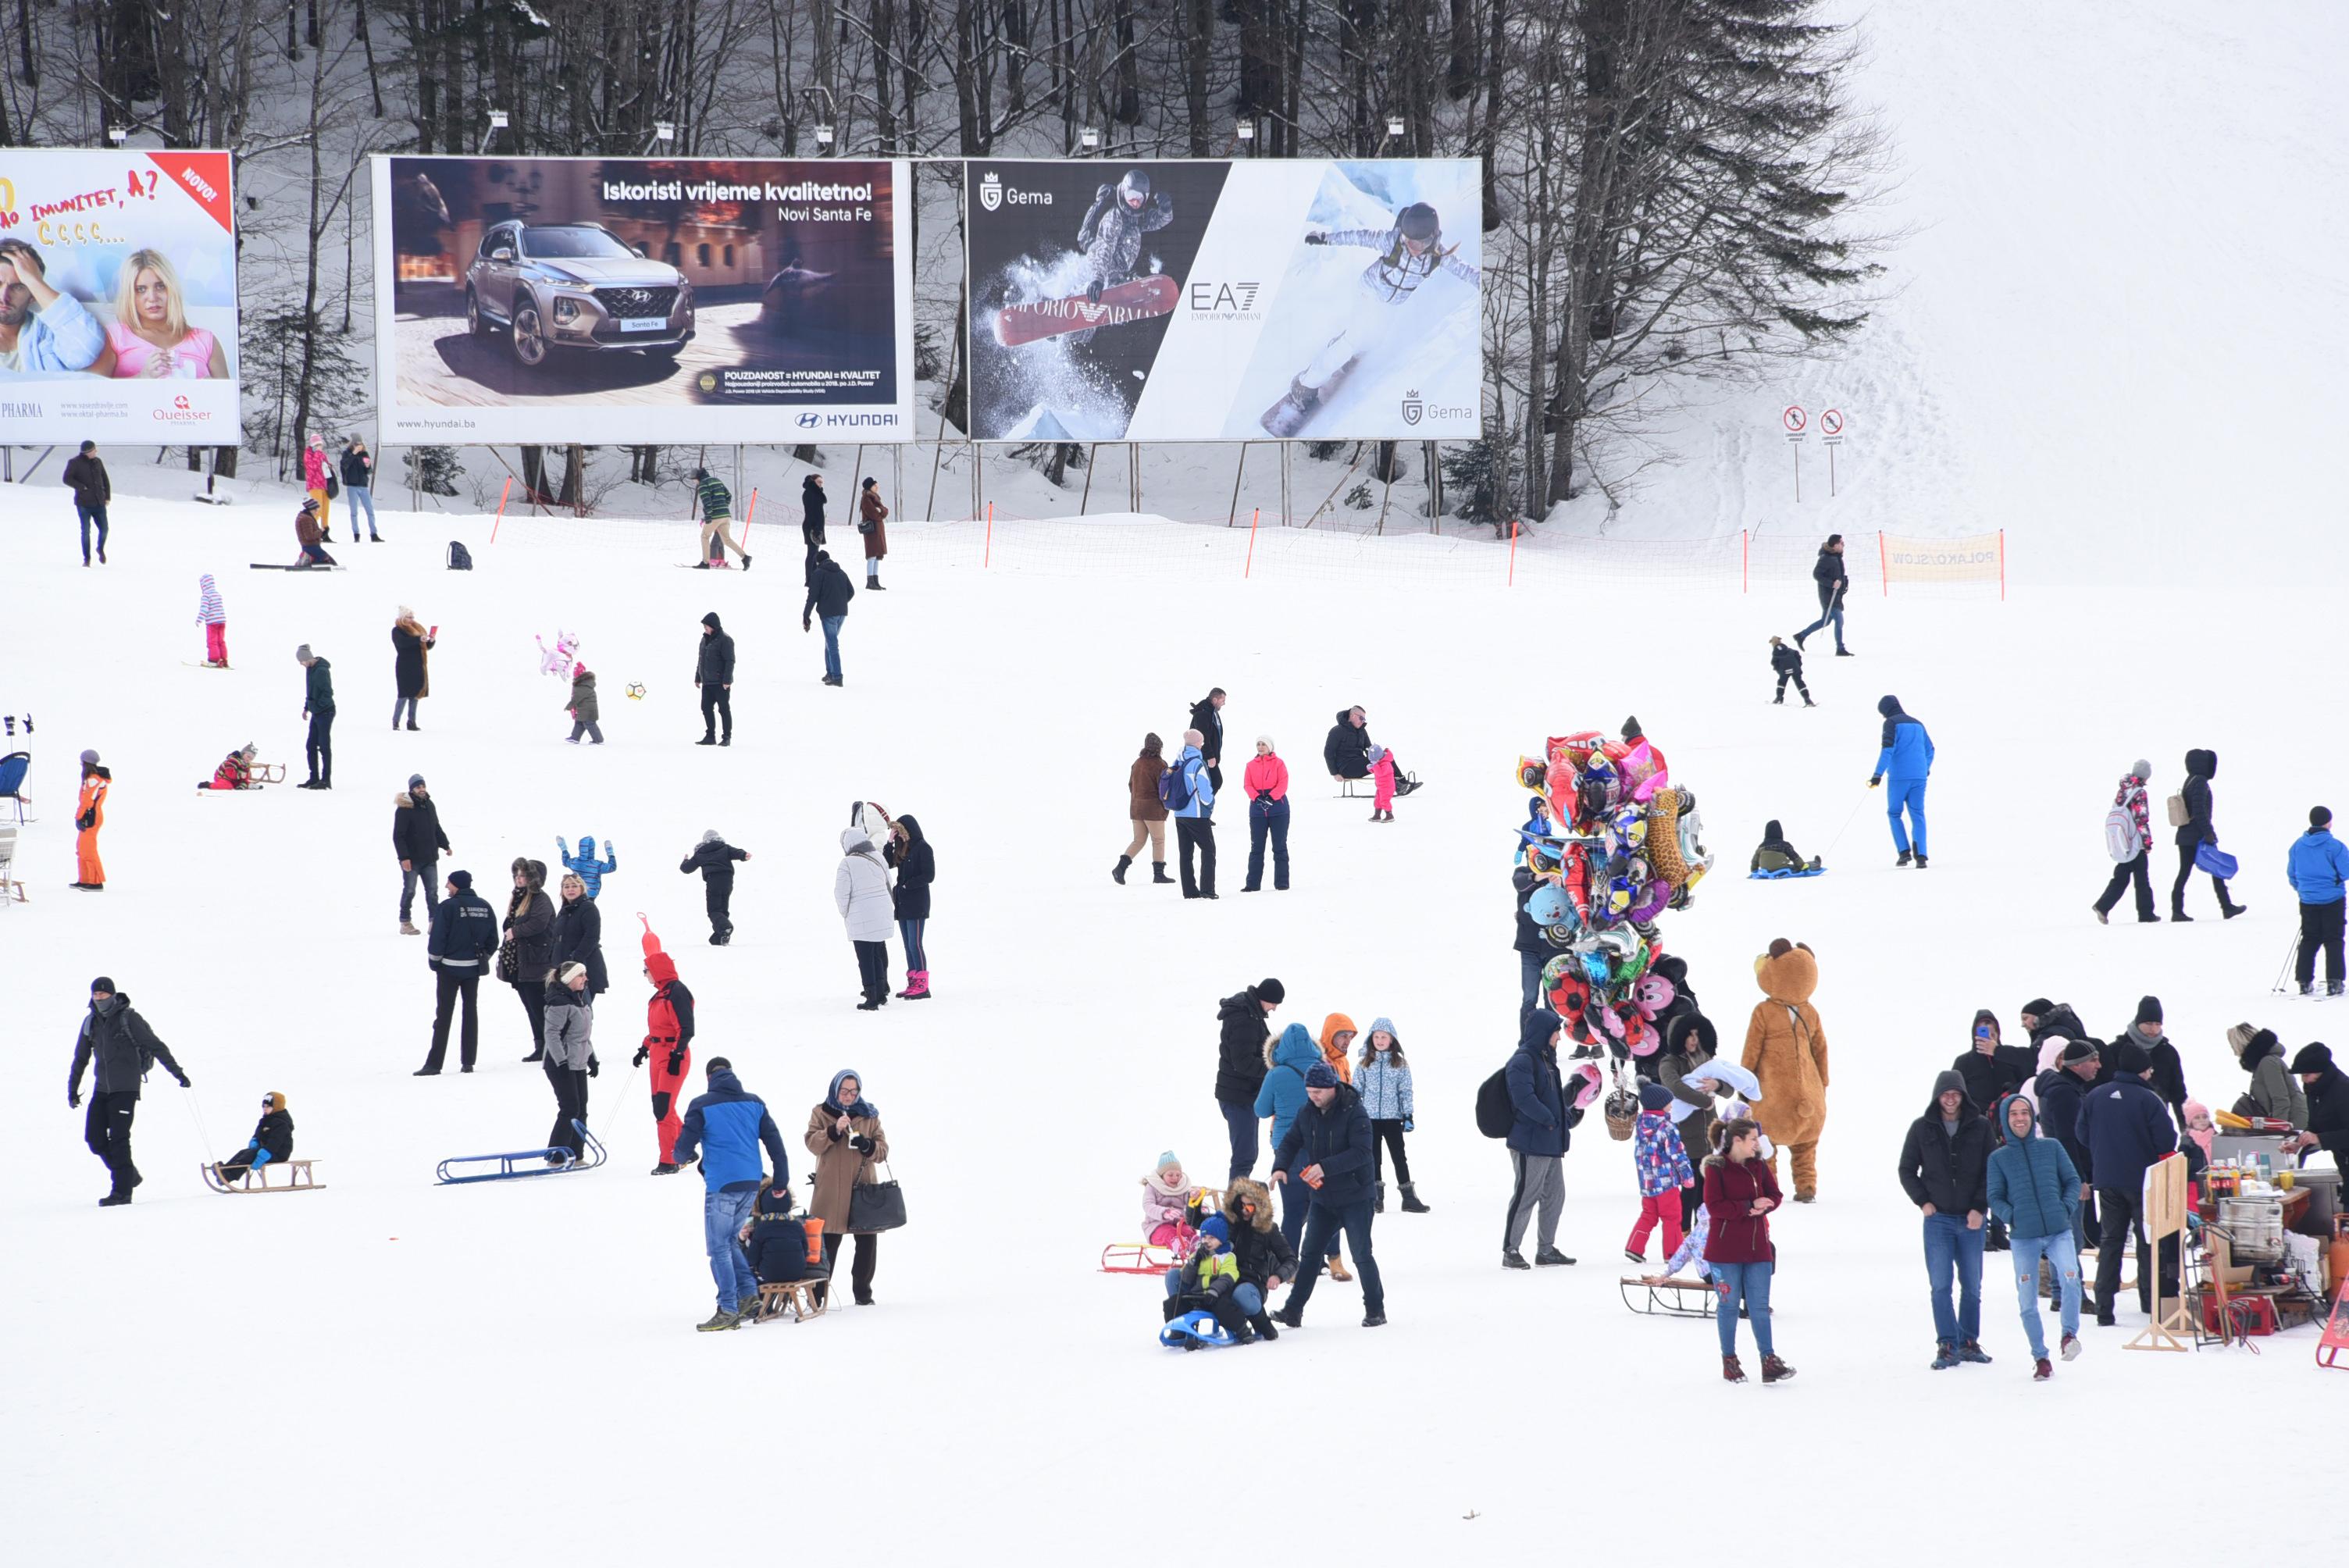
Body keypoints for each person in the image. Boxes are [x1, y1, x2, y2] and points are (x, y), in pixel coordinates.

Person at [672, 1056, 793, 1331]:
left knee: (718, 1247)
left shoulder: (702, 1105)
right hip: (751, 1184)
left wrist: (678, 1155)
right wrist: (780, 1181)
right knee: (728, 1242)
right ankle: (749, 1295)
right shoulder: (755, 1103)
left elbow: (682, 1148)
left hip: (722, 1185)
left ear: (708, 1079)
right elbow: (776, 1144)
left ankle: (727, 1308)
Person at [1270, 1063, 1388, 1328]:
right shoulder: (1307, 1112)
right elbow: (1290, 1141)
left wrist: (1325, 1167)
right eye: (1310, 1091)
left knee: (1361, 1254)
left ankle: (1375, 1309)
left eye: (1318, 1092)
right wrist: (1279, 1167)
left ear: (1332, 1088)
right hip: (1324, 1198)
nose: (1313, 1096)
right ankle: (1293, 1311)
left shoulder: (1355, 1112)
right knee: (1310, 1254)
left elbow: (1362, 1153)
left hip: (1356, 1195)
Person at [2076, 1040, 2180, 1326]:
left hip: (2106, 1180)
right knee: (2147, 1241)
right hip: (2142, 1182)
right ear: (2143, 1071)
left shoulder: (2095, 1096)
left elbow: (2081, 1134)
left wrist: (2103, 1151)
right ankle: (2149, 1301)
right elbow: (2167, 1140)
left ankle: (2104, 1308)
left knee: (2111, 1241)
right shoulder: (2149, 1099)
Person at [1898, 1070, 1994, 1370]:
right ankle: (1947, 1344)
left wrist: (1980, 1207)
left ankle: (1969, 1342)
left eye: (1955, 1094)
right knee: (1941, 1285)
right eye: (1945, 1094)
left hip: (1971, 1221)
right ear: (1937, 1097)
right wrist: (1923, 1202)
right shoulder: (1921, 1128)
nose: (1950, 1099)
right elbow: (1906, 1169)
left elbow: (1991, 1171)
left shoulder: (1980, 1127)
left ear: (1963, 1096)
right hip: (1938, 1220)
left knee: (1972, 1286)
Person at [67, 976, 191, 1206]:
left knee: (119, 1139)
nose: (99, 997)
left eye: (103, 994)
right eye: (95, 994)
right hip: (102, 1089)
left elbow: (156, 1046)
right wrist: (72, 1089)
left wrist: (178, 1074)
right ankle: (129, 1175)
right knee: (94, 1139)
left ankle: (122, 1192)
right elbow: (80, 1058)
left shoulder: (129, 1018)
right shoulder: (90, 1023)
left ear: (113, 995)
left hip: (125, 1088)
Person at [1987, 1092, 2084, 1378]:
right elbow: (1994, 1196)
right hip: (2024, 1238)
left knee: (2070, 1277)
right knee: (2027, 1299)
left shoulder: (2051, 1147)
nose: (2020, 1118)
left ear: (2033, 1116)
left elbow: (2072, 1180)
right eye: (2014, 1114)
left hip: (2058, 1232)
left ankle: (2069, 1336)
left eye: (2025, 1113)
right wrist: (2013, 1216)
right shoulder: (1999, 1158)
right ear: (2006, 1120)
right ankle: (2041, 1357)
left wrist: (2064, 1208)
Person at [1741, 938, 1830, 1201]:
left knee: (1766, 1141)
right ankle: (1806, 1186)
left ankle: (1770, 1187)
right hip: (1811, 1098)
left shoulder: (1764, 1011)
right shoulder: (1810, 1012)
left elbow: (1752, 1051)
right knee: (1806, 1146)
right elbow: (1821, 1051)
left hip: (1772, 1095)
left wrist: (1745, 1085)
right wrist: (1822, 1084)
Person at [1704, 1117, 1791, 1382]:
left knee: (1759, 1307)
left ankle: (1769, 1360)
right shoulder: (1716, 1168)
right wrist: (1747, 1207)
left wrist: (1766, 1204)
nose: (1757, 1143)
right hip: (1725, 1251)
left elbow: (1776, 1194)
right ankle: (1729, 1361)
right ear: (1737, 1141)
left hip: (1757, 1248)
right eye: (1753, 1138)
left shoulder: (1759, 1166)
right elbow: (1715, 1206)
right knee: (1729, 1305)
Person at [1254, 1022, 1344, 1270]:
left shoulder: (1276, 1074)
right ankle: (1334, 1260)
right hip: (1322, 1147)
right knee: (1325, 1203)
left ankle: (1290, 1266)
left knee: (1294, 1209)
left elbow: (1260, 1110)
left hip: (1288, 1150)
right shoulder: (1325, 1069)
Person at [1501, 1008, 1581, 1270]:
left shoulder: (1547, 1060)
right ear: (1543, 1032)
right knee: (1526, 1195)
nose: (1559, 1036)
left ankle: (1546, 1250)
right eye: (1556, 1031)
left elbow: (1554, 1099)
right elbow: (1524, 1099)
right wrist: (1549, 1119)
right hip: (1530, 1142)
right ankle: (1510, 1251)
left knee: (1555, 1195)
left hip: (1549, 1143)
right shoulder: (1523, 1061)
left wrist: (1567, 1118)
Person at [804, 1068, 889, 1307]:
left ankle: (863, 1294)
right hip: (831, 1190)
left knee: (866, 1243)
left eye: (854, 1091)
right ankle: (819, 1295)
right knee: (827, 1243)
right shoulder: (821, 1113)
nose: (849, 1096)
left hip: (863, 1188)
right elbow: (812, 1143)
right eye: (844, 1091)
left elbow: (882, 1152)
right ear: (835, 1090)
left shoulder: (870, 1115)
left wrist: (867, 1144)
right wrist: (834, 1130)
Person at [1171, 1179, 1295, 1342]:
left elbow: (1291, 1260)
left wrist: (1278, 1276)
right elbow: (1197, 1222)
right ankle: (1183, 1323)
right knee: (1174, 1276)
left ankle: (1261, 1322)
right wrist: (1195, 1202)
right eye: (1241, 1204)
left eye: (1250, 1206)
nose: (1245, 1210)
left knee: (1241, 1293)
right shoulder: (1226, 1221)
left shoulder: (1269, 1229)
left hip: (1248, 1282)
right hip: (1217, 1277)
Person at [415, 869, 497, 1074]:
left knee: (443, 1015)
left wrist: (435, 963)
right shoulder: (485, 906)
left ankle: (434, 1064)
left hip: (448, 970)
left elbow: (437, 939)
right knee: (470, 1013)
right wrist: (481, 958)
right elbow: (493, 940)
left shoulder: (448, 907)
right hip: (473, 970)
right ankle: (468, 1062)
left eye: (449, 883)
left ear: (457, 885)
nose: (446, 887)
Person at [100, 247, 227, 378]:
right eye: (141, 289)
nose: (152, 297)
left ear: (171, 289)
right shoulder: (113, 337)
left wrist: (209, 389)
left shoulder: (206, 340)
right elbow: (93, 391)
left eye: (160, 286)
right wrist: (142, 377)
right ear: (130, 295)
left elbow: (227, 396)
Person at [634, 918, 697, 1174]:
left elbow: (686, 1029)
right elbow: (659, 1029)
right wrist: (644, 1046)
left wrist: (677, 1053)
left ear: (657, 970)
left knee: (663, 1109)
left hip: (673, 1056)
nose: (645, 974)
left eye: (646, 970)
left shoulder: (676, 992)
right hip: (659, 1053)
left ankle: (670, 1159)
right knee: (661, 1107)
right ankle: (687, 1148)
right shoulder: (660, 993)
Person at [2034, 1039, 2101, 1254]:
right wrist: (2078, 1178)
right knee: (2070, 1241)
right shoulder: (2065, 1093)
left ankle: (2066, 1286)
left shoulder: (2066, 1089)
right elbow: (2066, 1139)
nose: (2099, 1066)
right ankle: (2066, 1287)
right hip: (2065, 1177)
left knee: (2070, 1239)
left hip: (2061, 1173)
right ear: (2076, 1065)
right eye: (2094, 1060)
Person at [1, 239, 107, 374]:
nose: (4, 296)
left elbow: (86, 349)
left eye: (18, 287)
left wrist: (32, 280)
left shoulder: (47, 335)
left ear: (33, 295)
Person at [1356, 1020, 1428, 1213]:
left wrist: (1407, 1115)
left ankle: (1409, 1198)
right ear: (1371, 1039)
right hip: (1370, 1118)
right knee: (1373, 1157)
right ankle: (1375, 1198)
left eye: (1384, 1037)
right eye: (1377, 1037)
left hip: (1393, 1119)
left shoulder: (1400, 1064)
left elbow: (1405, 1090)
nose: (1380, 1041)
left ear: (1391, 1040)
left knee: (1399, 1156)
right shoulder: (1364, 1063)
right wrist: (1356, 1114)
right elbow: (1357, 1090)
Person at [1214, 978, 1283, 1179]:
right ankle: (1235, 1205)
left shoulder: (1252, 1014)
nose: (1274, 1009)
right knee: (1245, 1155)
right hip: (1237, 1097)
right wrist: (1273, 1069)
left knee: (1248, 1154)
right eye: (1274, 1004)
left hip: (1243, 1095)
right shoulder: (1244, 1018)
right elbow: (1243, 1062)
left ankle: (1238, 1202)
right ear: (1265, 998)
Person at [1624, 1080, 1697, 1263]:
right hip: (1666, 1182)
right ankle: (1674, 1253)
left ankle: (1634, 1247)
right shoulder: (1667, 1127)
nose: (1671, 1106)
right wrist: (1687, 1177)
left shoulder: (1641, 1124)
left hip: (1647, 1183)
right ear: (1660, 1105)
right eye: (1669, 1102)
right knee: (1672, 1217)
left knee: (1649, 1215)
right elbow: (1677, 1154)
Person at [2166, 749, 2244, 920]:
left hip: (2185, 834)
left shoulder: (2190, 780)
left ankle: (2177, 911)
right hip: (2198, 835)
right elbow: (2200, 810)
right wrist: (2209, 833)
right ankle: (2226, 907)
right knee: (2215, 869)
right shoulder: (2200, 781)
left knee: (2185, 872)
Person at [500, 858, 558, 1061]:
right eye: (517, 875)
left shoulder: (540, 899)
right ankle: (540, 1046)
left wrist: (515, 932)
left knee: (539, 1007)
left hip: (537, 962)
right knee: (531, 1007)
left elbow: (538, 924)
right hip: (521, 963)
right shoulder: (518, 898)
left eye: (523, 875)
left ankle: (550, 1046)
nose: (519, 878)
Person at [2287, 806, 2349, 996]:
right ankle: (2334, 981)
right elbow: (2346, 871)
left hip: (2308, 900)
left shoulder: (2298, 845)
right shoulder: (2335, 846)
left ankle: (2304, 981)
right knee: (2334, 940)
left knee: (2310, 939)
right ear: (2328, 822)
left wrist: (2303, 889)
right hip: (2332, 899)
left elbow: (2292, 874)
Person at [1869, 695, 1934, 868]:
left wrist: (1877, 775)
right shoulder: (1918, 724)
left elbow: (1888, 750)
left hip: (1899, 777)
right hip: (1920, 776)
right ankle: (1921, 856)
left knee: (1894, 813)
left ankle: (1904, 853)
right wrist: (1925, 768)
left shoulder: (1891, 723)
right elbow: (1930, 749)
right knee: (1917, 814)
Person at [835, 823, 893, 1010]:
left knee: (865, 958)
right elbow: (888, 882)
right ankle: (882, 991)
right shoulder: (878, 856)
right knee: (878, 952)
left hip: (860, 917)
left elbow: (841, 893)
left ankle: (871, 997)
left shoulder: (847, 863)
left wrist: (845, 913)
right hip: (882, 913)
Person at [540, 962, 594, 1162]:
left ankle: (576, 1154)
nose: (585, 979)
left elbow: (581, 1035)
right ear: (569, 978)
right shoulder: (559, 1002)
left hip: (578, 1062)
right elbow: (552, 1035)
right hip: (560, 1064)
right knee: (570, 1107)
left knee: (581, 1108)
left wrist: (591, 1057)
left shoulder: (580, 999)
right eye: (581, 975)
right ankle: (556, 1156)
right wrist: (561, 1063)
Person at [2093, 760, 2158, 924]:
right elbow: (2141, 819)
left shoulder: (2122, 791)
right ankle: (2146, 914)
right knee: (2142, 878)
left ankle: (2103, 905)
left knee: (2121, 876)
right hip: (2136, 841)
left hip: (2123, 841)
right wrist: (2147, 843)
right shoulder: (2139, 793)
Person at [879, 810, 934, 1000]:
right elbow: (887, 863)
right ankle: (913, 982)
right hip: (903, 904)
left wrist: (907, 884)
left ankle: (922, 985)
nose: (900, 835)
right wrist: (890, 842)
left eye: (901, 832)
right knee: (907, 945)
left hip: (917, 903)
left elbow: (929, 875)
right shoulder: (903, 848)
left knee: (915, 944)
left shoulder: (923, 848)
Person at [2112, 996, 2188, 1120]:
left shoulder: (2168, 1052)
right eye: (2148, 1023)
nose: (2153, 1029)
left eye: (2158, 1024)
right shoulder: (2116, 1050)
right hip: (2120, 1119)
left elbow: (2178, 1094)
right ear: (2138, 1022)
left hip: (2156, 1120)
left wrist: (2188, 1130)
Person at [391, 774, 448, 935]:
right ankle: (405, 922)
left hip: (430, 858)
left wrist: (445, 845)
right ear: (412, 790)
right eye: (418, 787)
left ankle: (434, 921)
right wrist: (404, 858)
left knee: (432, 891)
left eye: (423, 786)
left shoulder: (429, 805)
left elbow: (436, 828)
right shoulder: (404, 809)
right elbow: (398, 836)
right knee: (410, 890)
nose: (422, 789)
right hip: (412, 860)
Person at [1114, 733, 1172, 886]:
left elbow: (1130, 785)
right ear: (1159, 747)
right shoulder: (1160, 764)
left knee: (1139, 840)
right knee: (1158, 840)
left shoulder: (1137, 763)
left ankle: (1120, 868)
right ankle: (1159, 875)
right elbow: (1164, 789)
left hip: (1136, 808)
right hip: (1153, 809)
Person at [2222, 1025, 2307, 1127]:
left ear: (2240, 1044)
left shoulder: (2267, 1062)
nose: (2235, 1053)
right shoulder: (2263, 1063)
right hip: (2291, 1120)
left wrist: (2277, 1130)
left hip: (2295, 1122)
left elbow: (2281, 1100)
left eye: (2233, 1046)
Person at [1953, 1010, 2026, 1126]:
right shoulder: (1963, 1062)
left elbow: (2026, 1086)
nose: (1988, 1039)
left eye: (1992, 1035)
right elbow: (1955, 1094)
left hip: (2010, 1123)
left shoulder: (2011, 1058)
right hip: (1977, 1124)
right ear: (1975, 1036)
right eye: (1983, 1034)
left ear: (1998, 1035)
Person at [2283, 1044, 2349, 1172]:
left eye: (2306, 1075)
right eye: (2301, 1075)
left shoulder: (2344, 1089)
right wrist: (2299, 1144)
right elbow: (2314, 1126)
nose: (2303, 1080)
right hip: (2344, 1163)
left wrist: (2320, 1138)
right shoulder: (2314, 1091)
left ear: (2321, 1072)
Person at [679, 829, 750, 944]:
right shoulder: (724, 848)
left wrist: (685, 860)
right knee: (722, 910)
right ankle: (719, 938)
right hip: (727, 881)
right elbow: (737, 852)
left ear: (704, 840)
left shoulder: (700, 853)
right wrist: (744, 855)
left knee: (714, 911)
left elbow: (686, 869)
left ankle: (725, 928)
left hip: (713, 881)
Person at [212, 1092, 296, 1188]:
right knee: (244, 1152)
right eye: (263, 1106)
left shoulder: (281, 1123)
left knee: (251, 1155)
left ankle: (230, 1176)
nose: (265, 1109)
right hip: (264, 1150)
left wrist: (264, 1155)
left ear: (276, 1107)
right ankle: (225, 1170)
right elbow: (258, 1134)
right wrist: (255, 1141)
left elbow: (275, 1142)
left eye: (268, 1107)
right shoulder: (265, 1120)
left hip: (277, 1153)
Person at [1171, 728, 1217, 899]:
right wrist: (1210, 805)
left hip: (1179, 814)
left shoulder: (1178, 761)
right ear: (1197, 743)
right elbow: (1205, 791)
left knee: (1186, 854)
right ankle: (1207, 890)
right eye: (1202, 742)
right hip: (1197, 815)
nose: (1203, 744)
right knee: (1209, 850)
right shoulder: (1198, 762)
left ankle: (1189, 891)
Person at [743, 1180, 817, 1287]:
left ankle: (761, 1302)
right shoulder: (797, 1225)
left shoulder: (762, 1228)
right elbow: (805, 1251)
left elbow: (752, 1258)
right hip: (796, 1273)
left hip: (770, 1274)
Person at [1240, 736, 1291, 892]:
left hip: (1278, 810)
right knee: (1256, 848)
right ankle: (1252, 884)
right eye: (1258, 744)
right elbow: (1247, 785)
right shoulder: (1250, 765)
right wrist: (1257, 798)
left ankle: (1282, 883)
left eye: (1263, 744)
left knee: (1279, 847)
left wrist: (1271, 797)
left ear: (1270, 747)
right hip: (1258, 811)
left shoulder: (1279, 763)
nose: (1260, 747)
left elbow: (1283, 783)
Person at [803, 551, 856, 687]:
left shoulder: (819, 573)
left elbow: (812, 596)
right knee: (830, 641)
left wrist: (806, 615)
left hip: (829, 613)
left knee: (832, 644)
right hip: (842, 613)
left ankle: (837, 676)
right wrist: (841, 603)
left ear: (818, 562)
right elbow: (851, 592)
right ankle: (830, 673)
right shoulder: (841, 573)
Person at [553, 871, 608, 1000]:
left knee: (581, 1010)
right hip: (563, 968)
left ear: (582, 888)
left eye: (574, 886)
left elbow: (592, 937)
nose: (570, 889)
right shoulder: (564, 910)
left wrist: (575, 959)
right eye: (566, 887)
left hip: (584, 967)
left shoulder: (588, 908)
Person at [1792, 533, 1849, 655]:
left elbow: (1836, 575)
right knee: (1839, 621)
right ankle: (1840, 649)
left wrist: (1843, 584)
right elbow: (1817, 575)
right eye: (1841, 543)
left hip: (1835, 595)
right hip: (1828, 596)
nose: (1843, 545)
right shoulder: (1826, 558)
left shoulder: (1837, 557)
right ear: (1835, 545)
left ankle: (1801, 635)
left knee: (1826, 621)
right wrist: (1832, 584)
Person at [62, 440, 111, 566]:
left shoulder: (97, 461)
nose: (96, 451)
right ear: (89, 451)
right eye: (94, 449)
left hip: (99, 502)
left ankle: (100, 548)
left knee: (104, 529)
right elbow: (67, 479)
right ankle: (87, 559)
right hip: (84, 503)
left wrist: (107, 497)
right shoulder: (75, 463)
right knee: (86, 531)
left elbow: (105, 479)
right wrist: (81, 487)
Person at [1140, 1151, 1200, 1251]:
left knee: (1188, 1231)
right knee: (1168, 1233)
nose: (1175, 1178)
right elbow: (1147, 1205)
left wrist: (1197, 1203)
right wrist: (1164, 1212)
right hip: (1157, 1226)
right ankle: (1182, 1247)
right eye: (1170, 1175)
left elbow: (1190, 1203)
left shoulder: (1183, 1187)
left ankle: (1197, 1248)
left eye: (1178, 1175)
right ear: (1161, 1175)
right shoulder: (1152, 1186)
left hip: (1179, 1223)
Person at [692, 466, 750, 568]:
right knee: (727, 540)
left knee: (704, 537)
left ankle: (706, 562)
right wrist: (723, 507)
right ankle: (745, 557)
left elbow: (707, 501)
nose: (694, 482)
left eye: (694, 480)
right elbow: (729, 496)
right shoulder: (717, 481)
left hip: (715, 516)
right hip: (726, 516)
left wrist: (708, 515)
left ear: (698, 478)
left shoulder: (703, 485)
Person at [70, 748, 110, 890]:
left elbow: (87, 802)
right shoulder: (93, 779)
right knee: (82, 848)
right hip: (90, 815)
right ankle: (85, 879)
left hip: (90, 817)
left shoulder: (93, 780)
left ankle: (95, 882)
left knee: (88, 849)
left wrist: (78, 817)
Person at [296, 644, 334, 789]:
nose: (301, 664)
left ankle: (326, 780)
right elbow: (310, 691)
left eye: (301, 661)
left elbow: (328, 694)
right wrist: (307, 708)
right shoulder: (310, 669)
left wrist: (316, 707)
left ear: (307, 658)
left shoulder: (322, 671)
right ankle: (314, 777)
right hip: (317, 712)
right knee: (311, 745)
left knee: (324, 746)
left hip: (326, 712)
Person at [693, 612, 736, 744]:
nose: (705, 628)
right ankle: (710, 736)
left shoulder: (725, 640)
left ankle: (726, 737)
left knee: (723, 709)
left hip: (720, 683)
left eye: (706, 626)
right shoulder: (704, 639)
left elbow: (730, 661)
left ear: (714, 626)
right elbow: (701, 660)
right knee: (705, 708)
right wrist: (698, 677)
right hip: (707, 682)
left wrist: (727, 680)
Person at [390, 608, 433, 730]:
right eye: (409, 617)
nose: (412, 620)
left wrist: (431, 641)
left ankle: (411, 722)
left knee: (415, 695)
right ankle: (396, 721)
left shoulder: (418, 629)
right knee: (403, 695)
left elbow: (425, 646)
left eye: (412, 617)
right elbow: (402, 643)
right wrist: (418, 639)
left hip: (418, 665)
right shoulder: (397, 630)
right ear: (403, 618)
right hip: (404, 666)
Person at [338, 437, 380, 542]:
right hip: (352, 486)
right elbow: (345, 465)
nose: (359, 447)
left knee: (370, 511)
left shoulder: (365, 454)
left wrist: (368, 466)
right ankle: (356, 534)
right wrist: (354, 454)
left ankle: (374, 534)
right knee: (354, 511)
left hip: (363, 485)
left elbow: (369, 470)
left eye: (361, 445)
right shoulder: (347, 454)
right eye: (357, 445)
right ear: (353, 445)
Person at [1188, 689, 1227, 795]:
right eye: (1222, 701)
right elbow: (1203, 737)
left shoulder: (1212, 712)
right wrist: (1210, 756)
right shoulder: (1203, 714)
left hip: (1209, 756)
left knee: (1211, 782)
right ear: (1215, 699)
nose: (1224, 703)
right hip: (1203, 757)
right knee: (1216, 781)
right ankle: (1201, 806)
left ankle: (1202, 806)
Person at [555, 835, 616, 899]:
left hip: (577, 892)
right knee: (588, 907)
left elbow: (565, 862)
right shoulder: (597, 865)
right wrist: (610, 853)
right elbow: (612, 867)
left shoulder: (575, 862)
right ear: (592, 849)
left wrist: (564, 849)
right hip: (591, 893)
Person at [1748, 819, 1817, 875]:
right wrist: (1802, 866)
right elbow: (1794, 857)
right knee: (1802, 866)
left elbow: (1755, 861)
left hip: (1765, 869)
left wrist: (1754, 871)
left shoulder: (1761, 847)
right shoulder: (1783, 845)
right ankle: (1816, 864)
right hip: (1781, 868)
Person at [1324, 704, 1373, 782]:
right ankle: (1392, 786)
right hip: (1345, 768)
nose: (1362, 721)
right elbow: (1329, 752)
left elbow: (1369, 749)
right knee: (1381, 760)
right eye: (1361, 718)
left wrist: (1377, 757)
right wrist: (1335, 773)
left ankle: (1398, 783)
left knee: (1385, 757)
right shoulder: (1337, 730)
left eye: (1364, 719)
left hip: (1359, 763)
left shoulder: (1362, 731)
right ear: (1353, 716)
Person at [857, 476, 888, 589]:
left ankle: (875, 580)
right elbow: (874, 514)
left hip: (877, 529)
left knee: (877, 555)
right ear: (870, 487)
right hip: (872, 530)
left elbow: (884, 510)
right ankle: (870, 581)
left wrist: (882, 511)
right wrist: (881, 512)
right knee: (872, 555)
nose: (877, 487)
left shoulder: (875, 498)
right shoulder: (866, 498)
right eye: (875, 485)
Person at [194, 573, 229, 668]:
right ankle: (224, 659)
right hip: (222, 621)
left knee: (212, 641)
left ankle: (214, 660)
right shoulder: (218, 595)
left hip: (212, 623)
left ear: (203, 586)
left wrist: (199, 619)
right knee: (221, 641)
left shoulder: (206, 596)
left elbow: (204, 609)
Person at [1768, 635, 1813, 706]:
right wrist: (1798, 667)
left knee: (1781, 683)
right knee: (1799, 683)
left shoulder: (1775, 654)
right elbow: (1797, 655)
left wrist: (1780, 671)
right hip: (1795, 668)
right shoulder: (1790, 650)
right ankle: (1807, 699)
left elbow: (1774, 663)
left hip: (1784, 670)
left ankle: (1779, 698)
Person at [302, 433, 333, 535]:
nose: (319, 447)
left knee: (325, 509)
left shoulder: (322, 455)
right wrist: (318, 454)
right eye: (316, 445)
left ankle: (325, 531)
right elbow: (313, 467)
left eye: (320, 445)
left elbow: (326, 467)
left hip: (324, 484)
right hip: (314, 485)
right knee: (317, 509)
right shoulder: (308, 454)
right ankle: (311, 530)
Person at [563, 665, 603, 744]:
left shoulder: (583, 686)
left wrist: (569, 706)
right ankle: (575, 738)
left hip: (588, 711)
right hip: (585, 710)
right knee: (579, 723)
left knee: (590, 724)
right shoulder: (584, 684)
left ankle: (598, 740)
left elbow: (576, 698)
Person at [799, 472, 828, 581]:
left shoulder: (816, 493)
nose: (821, 484)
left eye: (822, 482)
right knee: (812, 553)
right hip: (811, 526)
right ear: (813, 482)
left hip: (817, 527)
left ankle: (814, 576)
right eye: (819, 482)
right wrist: (815, 527)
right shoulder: (810, 493)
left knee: (815, 553)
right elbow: (810, 512)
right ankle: (809, 578)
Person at [293, 497, 336, 568]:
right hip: (310, 547)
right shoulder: (306, 519)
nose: (317, 512)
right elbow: (309, 536)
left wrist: (322, 534)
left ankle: (308, 559)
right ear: (310, 509)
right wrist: (321, 532)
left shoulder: (306, 517)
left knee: (330, 562)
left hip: (311, 546)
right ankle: (307, 560)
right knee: (330, 563)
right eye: (315, 509)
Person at [1367, 744, 1398, 824]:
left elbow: (1380, 773)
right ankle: (1377, 815)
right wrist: (1371, 768)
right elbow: (1376, 771)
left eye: (1375, 760)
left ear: (1379, 757)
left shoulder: (1387, 764)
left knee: (1384, 801)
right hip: (1381, 787)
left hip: (1388, 787)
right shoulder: (1379, 763)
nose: (1374, 762)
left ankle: (1389, 815)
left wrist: (1375, 765)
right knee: (1377, 801)